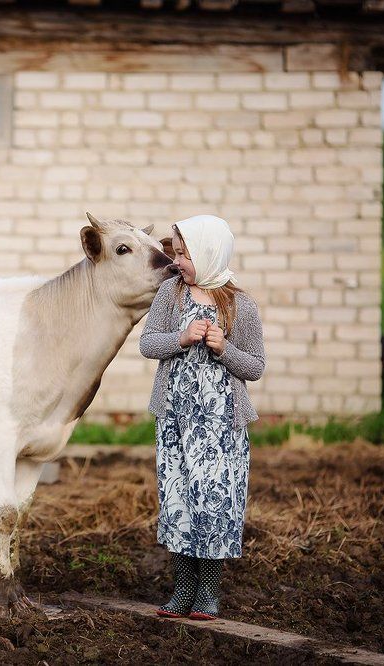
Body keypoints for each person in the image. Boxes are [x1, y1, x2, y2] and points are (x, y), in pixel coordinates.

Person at [139, 214, 265, 620]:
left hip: (219, 427)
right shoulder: (170, 295)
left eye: (184, 254)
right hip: (176, 422)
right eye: (176, 253)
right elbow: (147, 343)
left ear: (210, 254)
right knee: (178, 501)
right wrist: (179, 338)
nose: (177, 261)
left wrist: (223, 347)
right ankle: (183, 589)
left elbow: (255, 366)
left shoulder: (240, 305)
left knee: (213, 503)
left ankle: (208, 591)